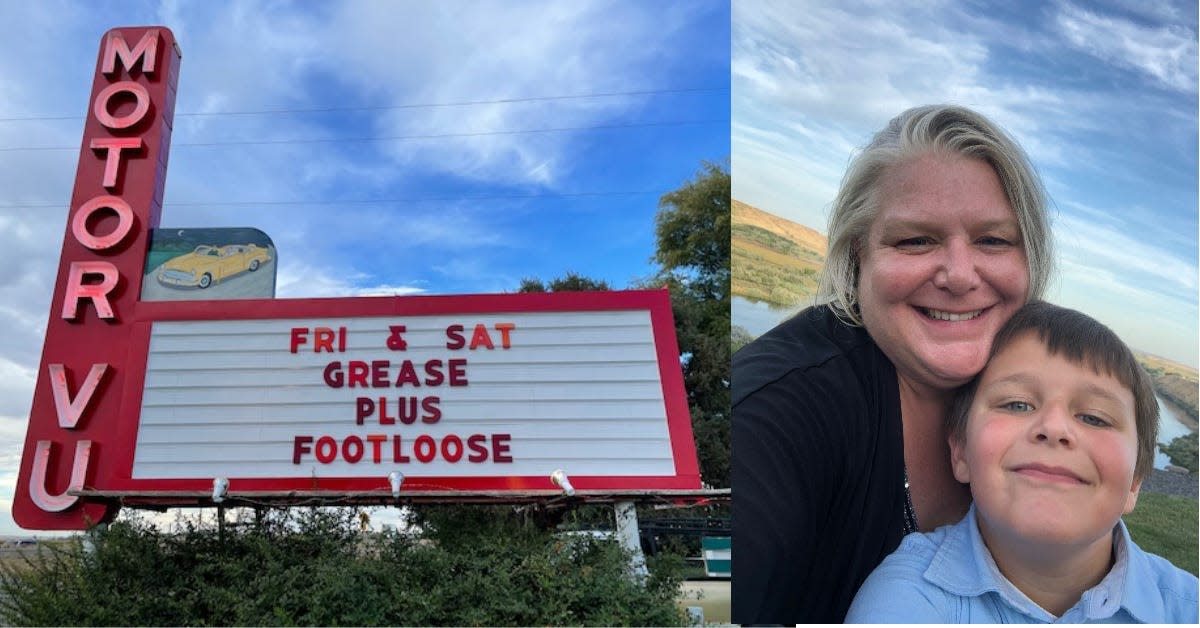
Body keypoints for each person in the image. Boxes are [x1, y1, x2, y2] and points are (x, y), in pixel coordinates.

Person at [731, 104, 1054, 624]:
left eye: (993, 240)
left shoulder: (1042, 399)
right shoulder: (773, 414)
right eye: (915, 240)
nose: (958, 275)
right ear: (860, 254)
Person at [845, 301, 1199, 622]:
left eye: (1094, 417)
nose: (1054, 428)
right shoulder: (906, 600)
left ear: (1135, 481)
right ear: (960, 451)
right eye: (1016, 404)